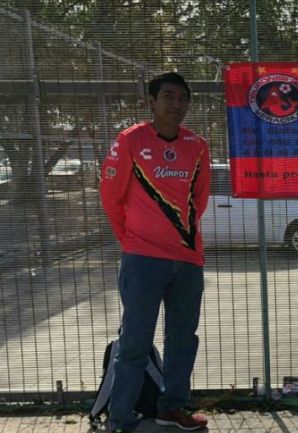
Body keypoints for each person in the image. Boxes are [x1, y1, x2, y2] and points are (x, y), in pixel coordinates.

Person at [100, 72, 211, 433]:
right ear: (152, 100)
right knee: (135, 342)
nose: (176, 105)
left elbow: (199, 200)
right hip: (142, 260)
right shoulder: (130, 140)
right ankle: (120, 419)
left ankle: (172, 408)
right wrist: (133, 240)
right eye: (168, 97)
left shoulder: (198, 146)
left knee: (183, 340)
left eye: (182, 98)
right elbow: (112, 198)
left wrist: (181, 241)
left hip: (187, 260)